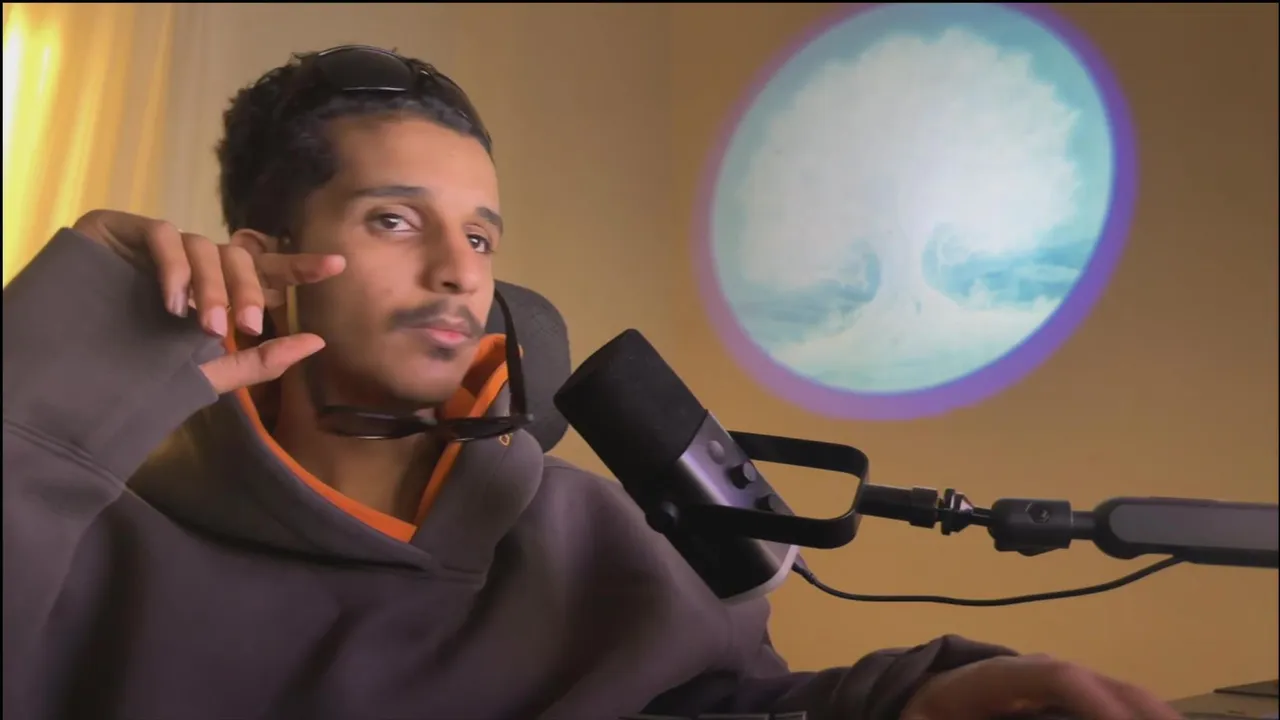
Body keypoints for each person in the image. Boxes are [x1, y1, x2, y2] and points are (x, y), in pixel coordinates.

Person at [2, 45, 1182, 720]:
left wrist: (922, 698)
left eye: (480, 236)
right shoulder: (94, 531)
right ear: (261, 258)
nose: (456, 273)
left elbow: (730, 710)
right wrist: (49, 363)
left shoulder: (595, 531)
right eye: (394, 219)